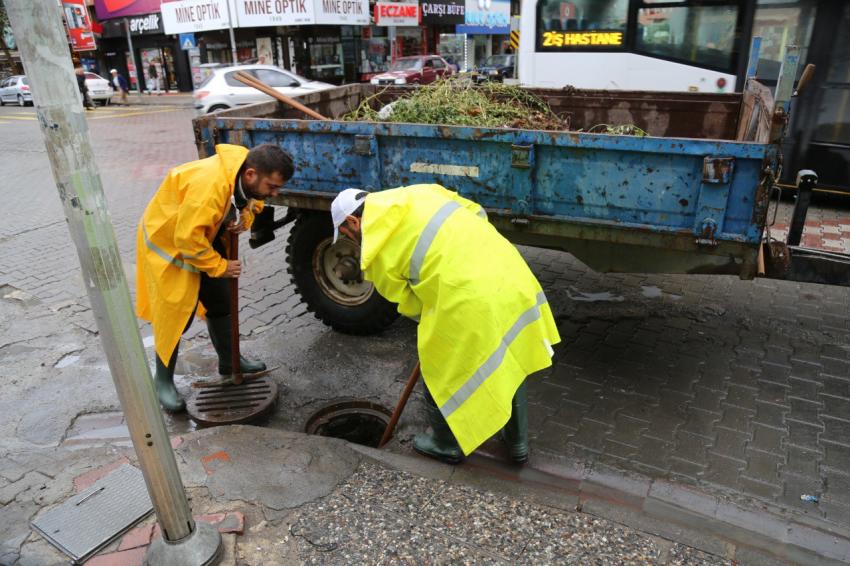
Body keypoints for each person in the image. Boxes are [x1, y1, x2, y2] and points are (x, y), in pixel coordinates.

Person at [331, 185, 561, 464]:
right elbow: (476, 211)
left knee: (436, 361)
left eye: (345, 232)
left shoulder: (376, 253)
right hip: (508, 271)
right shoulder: (417, 193)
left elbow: (413, 306)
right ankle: (517, 444)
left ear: (353, 222)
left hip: (470, 294)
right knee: (509, 356)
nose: (350, 239)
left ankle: (445, 443)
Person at [136, 143, 295, 412]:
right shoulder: (208, 189)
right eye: (272, 186)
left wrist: (246, 216)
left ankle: (230, 360)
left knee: (220, 300)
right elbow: (186, 239)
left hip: (202, 240)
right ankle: (162, 381)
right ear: (251, 174)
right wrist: (220, 267)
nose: (275, 193)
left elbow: (251, 201)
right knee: (176, 316)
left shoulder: (243, 173)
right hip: (169, 248)